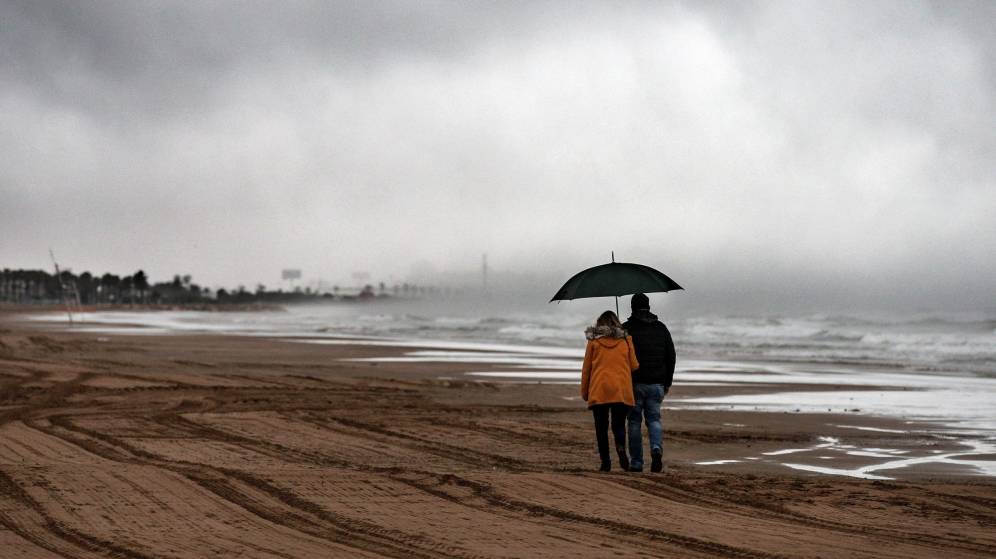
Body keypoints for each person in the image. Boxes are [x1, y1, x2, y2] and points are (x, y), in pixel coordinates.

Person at [623, 293, 676, 473]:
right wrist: (667, 381)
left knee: (634, 421)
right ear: (649, 306)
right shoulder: (661, 328)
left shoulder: (626, 329)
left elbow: (620, 358)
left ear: (632, 307)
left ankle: (637, 463)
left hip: (634, 383)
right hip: (657, 383)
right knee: (654, 419)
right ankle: (656, 448)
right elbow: (671, 356)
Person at [580, 310, 639, 472]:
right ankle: (621, 449)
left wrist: (585, 393)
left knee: (601, 427)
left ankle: (605, 462)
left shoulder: (593, 342)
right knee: (619, 425)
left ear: (600, 324)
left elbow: (587, 369)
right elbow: (634, 365)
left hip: (599, 389)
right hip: (620, 389)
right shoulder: (626, 340)